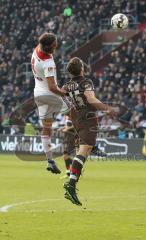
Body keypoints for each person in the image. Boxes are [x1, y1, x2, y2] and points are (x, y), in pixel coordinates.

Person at [62, 57, 123, 205]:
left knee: (82, 150)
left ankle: (92, 149)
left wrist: (72, 109)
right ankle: (71, 185)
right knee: (84, 151)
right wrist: (108, 108)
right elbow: (91, 99)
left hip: (76, 119)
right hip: (88, 119)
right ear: (82, 68)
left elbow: (62, 96)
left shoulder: (66, 86)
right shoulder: (86, 82)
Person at [31, 32, 69, 174]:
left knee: (47, 128)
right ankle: (90, 144)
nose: (56, 45)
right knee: (76, 111)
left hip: (39, 95)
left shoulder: (37, 50)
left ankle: (50, 161)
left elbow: (42, 40)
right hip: (51, 95)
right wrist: (64, 93)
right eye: (54, 43)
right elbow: (53, 87)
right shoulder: (48, 63)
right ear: (49, 47)